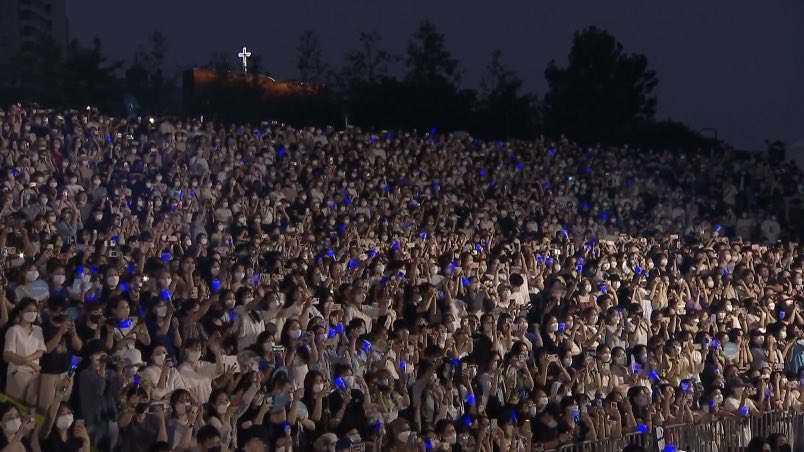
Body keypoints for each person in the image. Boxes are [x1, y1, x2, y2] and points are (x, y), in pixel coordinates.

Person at [3, 298, 46, 406]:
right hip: (18, 372)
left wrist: (28, 360)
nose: (32, 313)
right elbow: (8, 355)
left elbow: (41, 351)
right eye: (29, 311)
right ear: (21, 312)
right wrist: (29, 362)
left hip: (34, 374)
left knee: (31, 408)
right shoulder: (14, 330)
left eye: (35, 311)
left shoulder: (38, 329)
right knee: (14, 406)